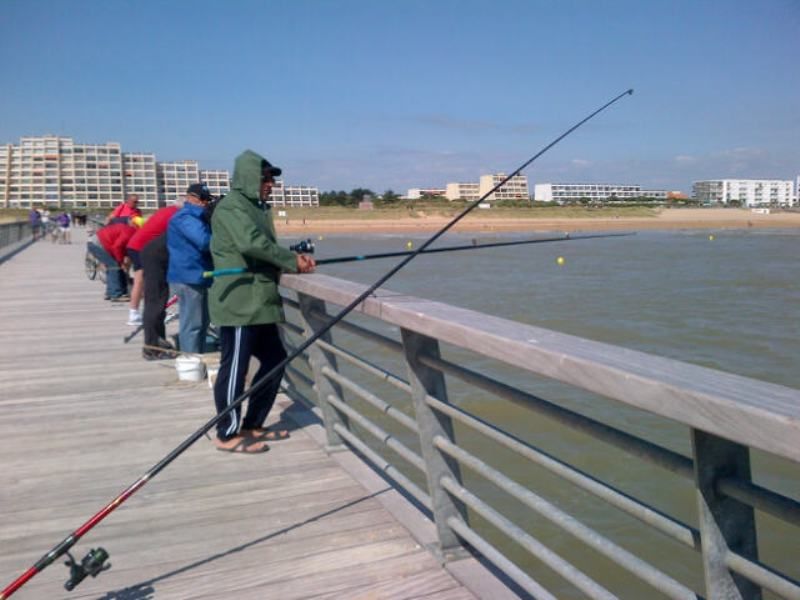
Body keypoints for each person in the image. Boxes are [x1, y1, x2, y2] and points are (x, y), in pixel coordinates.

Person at [209, 150, 315, 453]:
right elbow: (250, 244)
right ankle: (226, 434)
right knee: (235, 369)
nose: (270, 184)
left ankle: (252, 424)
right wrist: (291, 260)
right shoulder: (231, 206)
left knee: (275, 359)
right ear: (249, 178)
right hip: (240, 302)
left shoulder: (255, 207)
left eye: (271, 179)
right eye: (266, 178)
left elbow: (264, 246)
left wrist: (291, 259)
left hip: (260, 300)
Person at [167, 183, 214, 354]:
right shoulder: (185, 217)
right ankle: (190, 359)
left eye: (207, 200)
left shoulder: (196, 218)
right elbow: (203, 241)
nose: (205, 203)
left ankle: (197, 357)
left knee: (202, 322)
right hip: (188, 276)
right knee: (192, 324)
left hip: (196, 275)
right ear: (190, 198)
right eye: (202, 199)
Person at [125, 205, 179, 326]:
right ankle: (134, 314)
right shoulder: (177, 215)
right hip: (141, 247)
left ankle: (141, 312)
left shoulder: (167, 210)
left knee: (146, 281)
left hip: (137, 244)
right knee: (141, 280)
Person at [141, 233, 174, 360]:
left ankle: (158, 342)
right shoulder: (192, 217)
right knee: (154, 304)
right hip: (155, 256)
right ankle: (152, 348)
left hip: (156, 252)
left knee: (159, 303)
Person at [90, 220, 139, 301]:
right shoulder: (129, 234)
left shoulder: (131, 232)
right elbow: (117, 247)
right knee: (114, 266)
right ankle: (116, 294)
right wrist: (120, 261)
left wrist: (124, 260)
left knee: (113, 266)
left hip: (100, 242)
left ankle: (110, 292)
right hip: (98, 243)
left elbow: (123, 249)